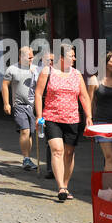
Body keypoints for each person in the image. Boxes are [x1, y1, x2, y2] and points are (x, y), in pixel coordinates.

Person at [35, 44, 92, 199]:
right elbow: (39, 94)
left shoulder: (76, 74)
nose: (74, 58)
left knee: (69, 153)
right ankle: (60, 187)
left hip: (72, 118)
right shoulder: (48, 72)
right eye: (71, 56)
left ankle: (66, 185)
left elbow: (84, 96)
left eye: (74, 56)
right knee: (57, 150)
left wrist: (89, 116)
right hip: (52, 117)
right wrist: (39, 116)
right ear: (61, 58)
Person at [2, 46, 39, 171]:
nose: (31, 59)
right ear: (21, 57)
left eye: (32, 57)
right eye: (29, 57)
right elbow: (5, 85)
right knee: (25, 131)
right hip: (19, 105)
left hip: (32, 106)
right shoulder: (12, 69)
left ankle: (28, 158)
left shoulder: (35, 69)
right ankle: (26, 159)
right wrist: (6, 103)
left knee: (30, 134)